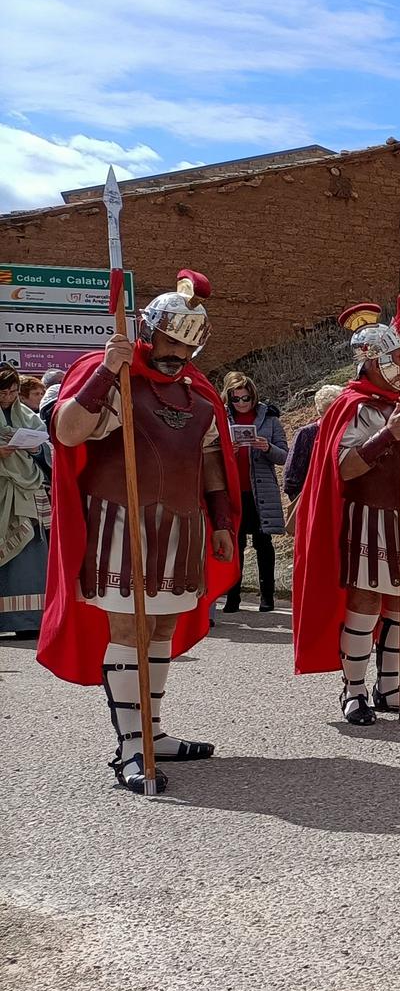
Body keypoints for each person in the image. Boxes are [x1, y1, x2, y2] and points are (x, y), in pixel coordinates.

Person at [38, 271, 239, 792]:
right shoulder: (117, 379)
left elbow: (212, 459)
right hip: (120, 521)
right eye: (173, 340)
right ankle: (131, 747)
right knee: (129, 629)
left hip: (183, 524)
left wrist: (220, 521)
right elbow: (67, 431)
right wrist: (107, 370)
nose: (180, 353)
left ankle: (153, 730)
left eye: (190, 344)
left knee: (165, 629)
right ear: (150, 332)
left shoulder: (197, 394)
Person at [291, 303, 400, 725]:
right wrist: (386, 436)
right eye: (394, 359)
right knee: (366, 600)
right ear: (373, 361)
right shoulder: (354, 405)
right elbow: (343, 466)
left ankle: (391, 688)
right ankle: (354, 691)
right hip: (369, 516)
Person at [216, 370, 288, 613]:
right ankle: (232, 598)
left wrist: (267, 447)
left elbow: (285, 457)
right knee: (235, 544)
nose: (242, 403)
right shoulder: (220, 420)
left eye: (246, 398)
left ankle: (267, 597)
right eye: (236, 399)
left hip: (261, 490)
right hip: (232, 490)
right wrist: (229, 451)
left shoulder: (270, 419)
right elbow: (210, 456)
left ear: (253, 396)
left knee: (263, 543)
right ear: (228, 399)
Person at [0, 366, 53, 638]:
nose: (8, 397)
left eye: (12, 392)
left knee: (30, 558)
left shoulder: (27, 416)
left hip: (27, 492)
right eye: (3, 392)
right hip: (2, 494)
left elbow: (47, 449)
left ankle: (28, 620)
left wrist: (35, 448)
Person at [284, 385, 343, 504]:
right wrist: (308, 504)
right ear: (321, 412)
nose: (338, 418)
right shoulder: (306, 434)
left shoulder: (350, 431)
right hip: (315, 503)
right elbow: (291, 480)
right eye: (332, 413)